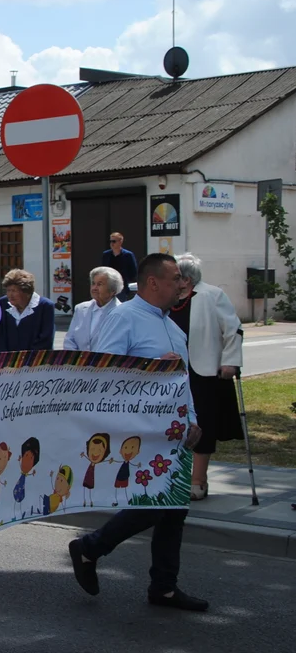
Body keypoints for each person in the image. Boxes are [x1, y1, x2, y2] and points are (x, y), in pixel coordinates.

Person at [68, 253, 208, 612]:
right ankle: (91, 547)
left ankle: (163, 586)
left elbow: (181, 380)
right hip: (141, 432)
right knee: (155, 504)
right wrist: (148, 370)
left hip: (173, 433)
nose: (182, 284)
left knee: (174, 508)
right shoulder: (124, 318)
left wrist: (191, 418)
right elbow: (104, 372)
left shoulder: (173, 326)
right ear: (153, 282)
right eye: (176, 278)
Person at [171, 253, 243, 501]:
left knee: (203, 425)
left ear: (186, 279)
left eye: (174, 276)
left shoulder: (212, 295)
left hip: (204, 372)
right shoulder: (167, 299)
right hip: (173, 372)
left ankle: (198, 480)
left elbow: (233, 329)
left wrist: (230, 362)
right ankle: (173, 477)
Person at [0, 269, 55, 353]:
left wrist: (25, 359)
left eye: (14, 291)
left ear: (27, 292)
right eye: (8, 290)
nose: (10, 295)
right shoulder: (3, 303)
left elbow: (46, 338)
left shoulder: (45, 306)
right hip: (8, 361)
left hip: (36, 360)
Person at [64, 267, 123, 351]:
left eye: (99, 284)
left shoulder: (122, 312)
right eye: (93, 283)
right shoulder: (80, 309)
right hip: (77, 362)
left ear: (113, 290)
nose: (94, 288)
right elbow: (70, 340)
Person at [102, 232, 137, 301]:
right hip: (108, 285)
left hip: (122, 286)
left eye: (114, 241)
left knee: (120, 305)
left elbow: (133, 271)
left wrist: (127, 280)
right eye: (110, 241)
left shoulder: (128, 255)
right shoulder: (106, 255)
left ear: (120, 242)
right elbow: (103, 269)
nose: (112, 243)